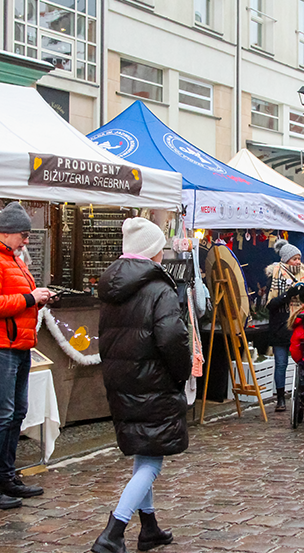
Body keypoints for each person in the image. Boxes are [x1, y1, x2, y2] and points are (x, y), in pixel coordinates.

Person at [90, 217, 192, 553]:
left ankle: (148, 528)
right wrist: (182, 373)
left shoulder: (112, 290)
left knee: (144, 450)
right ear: (153, 252)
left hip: (123, 381)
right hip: (154, 381)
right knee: (151, 461)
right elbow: (172, 339)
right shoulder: (159, 289)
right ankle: (113, 531)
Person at [0, 202, 53, 509]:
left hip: (17, 345)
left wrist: (37, 299)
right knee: (1, 413)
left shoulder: (11, 258)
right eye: (25, 235)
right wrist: (31, 297)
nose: (27, 241)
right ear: (9, 232)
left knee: (16, 412)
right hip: (0, 346)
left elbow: (13, 298)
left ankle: (5, 475)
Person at [265, 239, 304, 412]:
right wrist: (287, 295)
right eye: (294, 259)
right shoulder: (274, 276)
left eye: (299, 258)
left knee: (303, 362)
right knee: (281, 363)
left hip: (298, 325)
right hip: (279, 326)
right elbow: (270, 304)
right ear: (285, 259)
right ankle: (281, 399)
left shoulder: (303, 275)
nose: (298, 262)